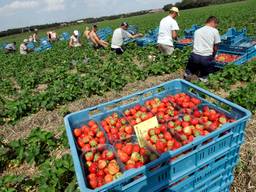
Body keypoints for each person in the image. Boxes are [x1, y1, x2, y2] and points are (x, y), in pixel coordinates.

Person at [185, 16, 221, 82]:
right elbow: (216, 45)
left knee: (190, 67)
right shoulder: (215, 31)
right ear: (213, 22)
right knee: (205, 71)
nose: (215, 27)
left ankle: (188, 74)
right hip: (206, 57)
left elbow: (194, 44)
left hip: (194, 56)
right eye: (216, 25)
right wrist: (213, 55)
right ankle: (202, 79)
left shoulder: (197, 31)